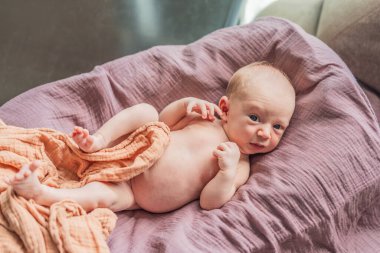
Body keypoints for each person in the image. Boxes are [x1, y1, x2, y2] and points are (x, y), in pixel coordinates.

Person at [6, 61, 296, 213]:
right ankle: (99, 140)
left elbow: (210, 202)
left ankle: (44, 194)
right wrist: (184, 105)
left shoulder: (240, 165)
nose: (263, 132)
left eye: (277, 127)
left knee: (102, 198)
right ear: (226, 108)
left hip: (134, 194)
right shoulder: (208, 119)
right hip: (132, 150)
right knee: (147, 112)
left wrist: (226, 171)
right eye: (255, 118)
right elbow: (164, 124)